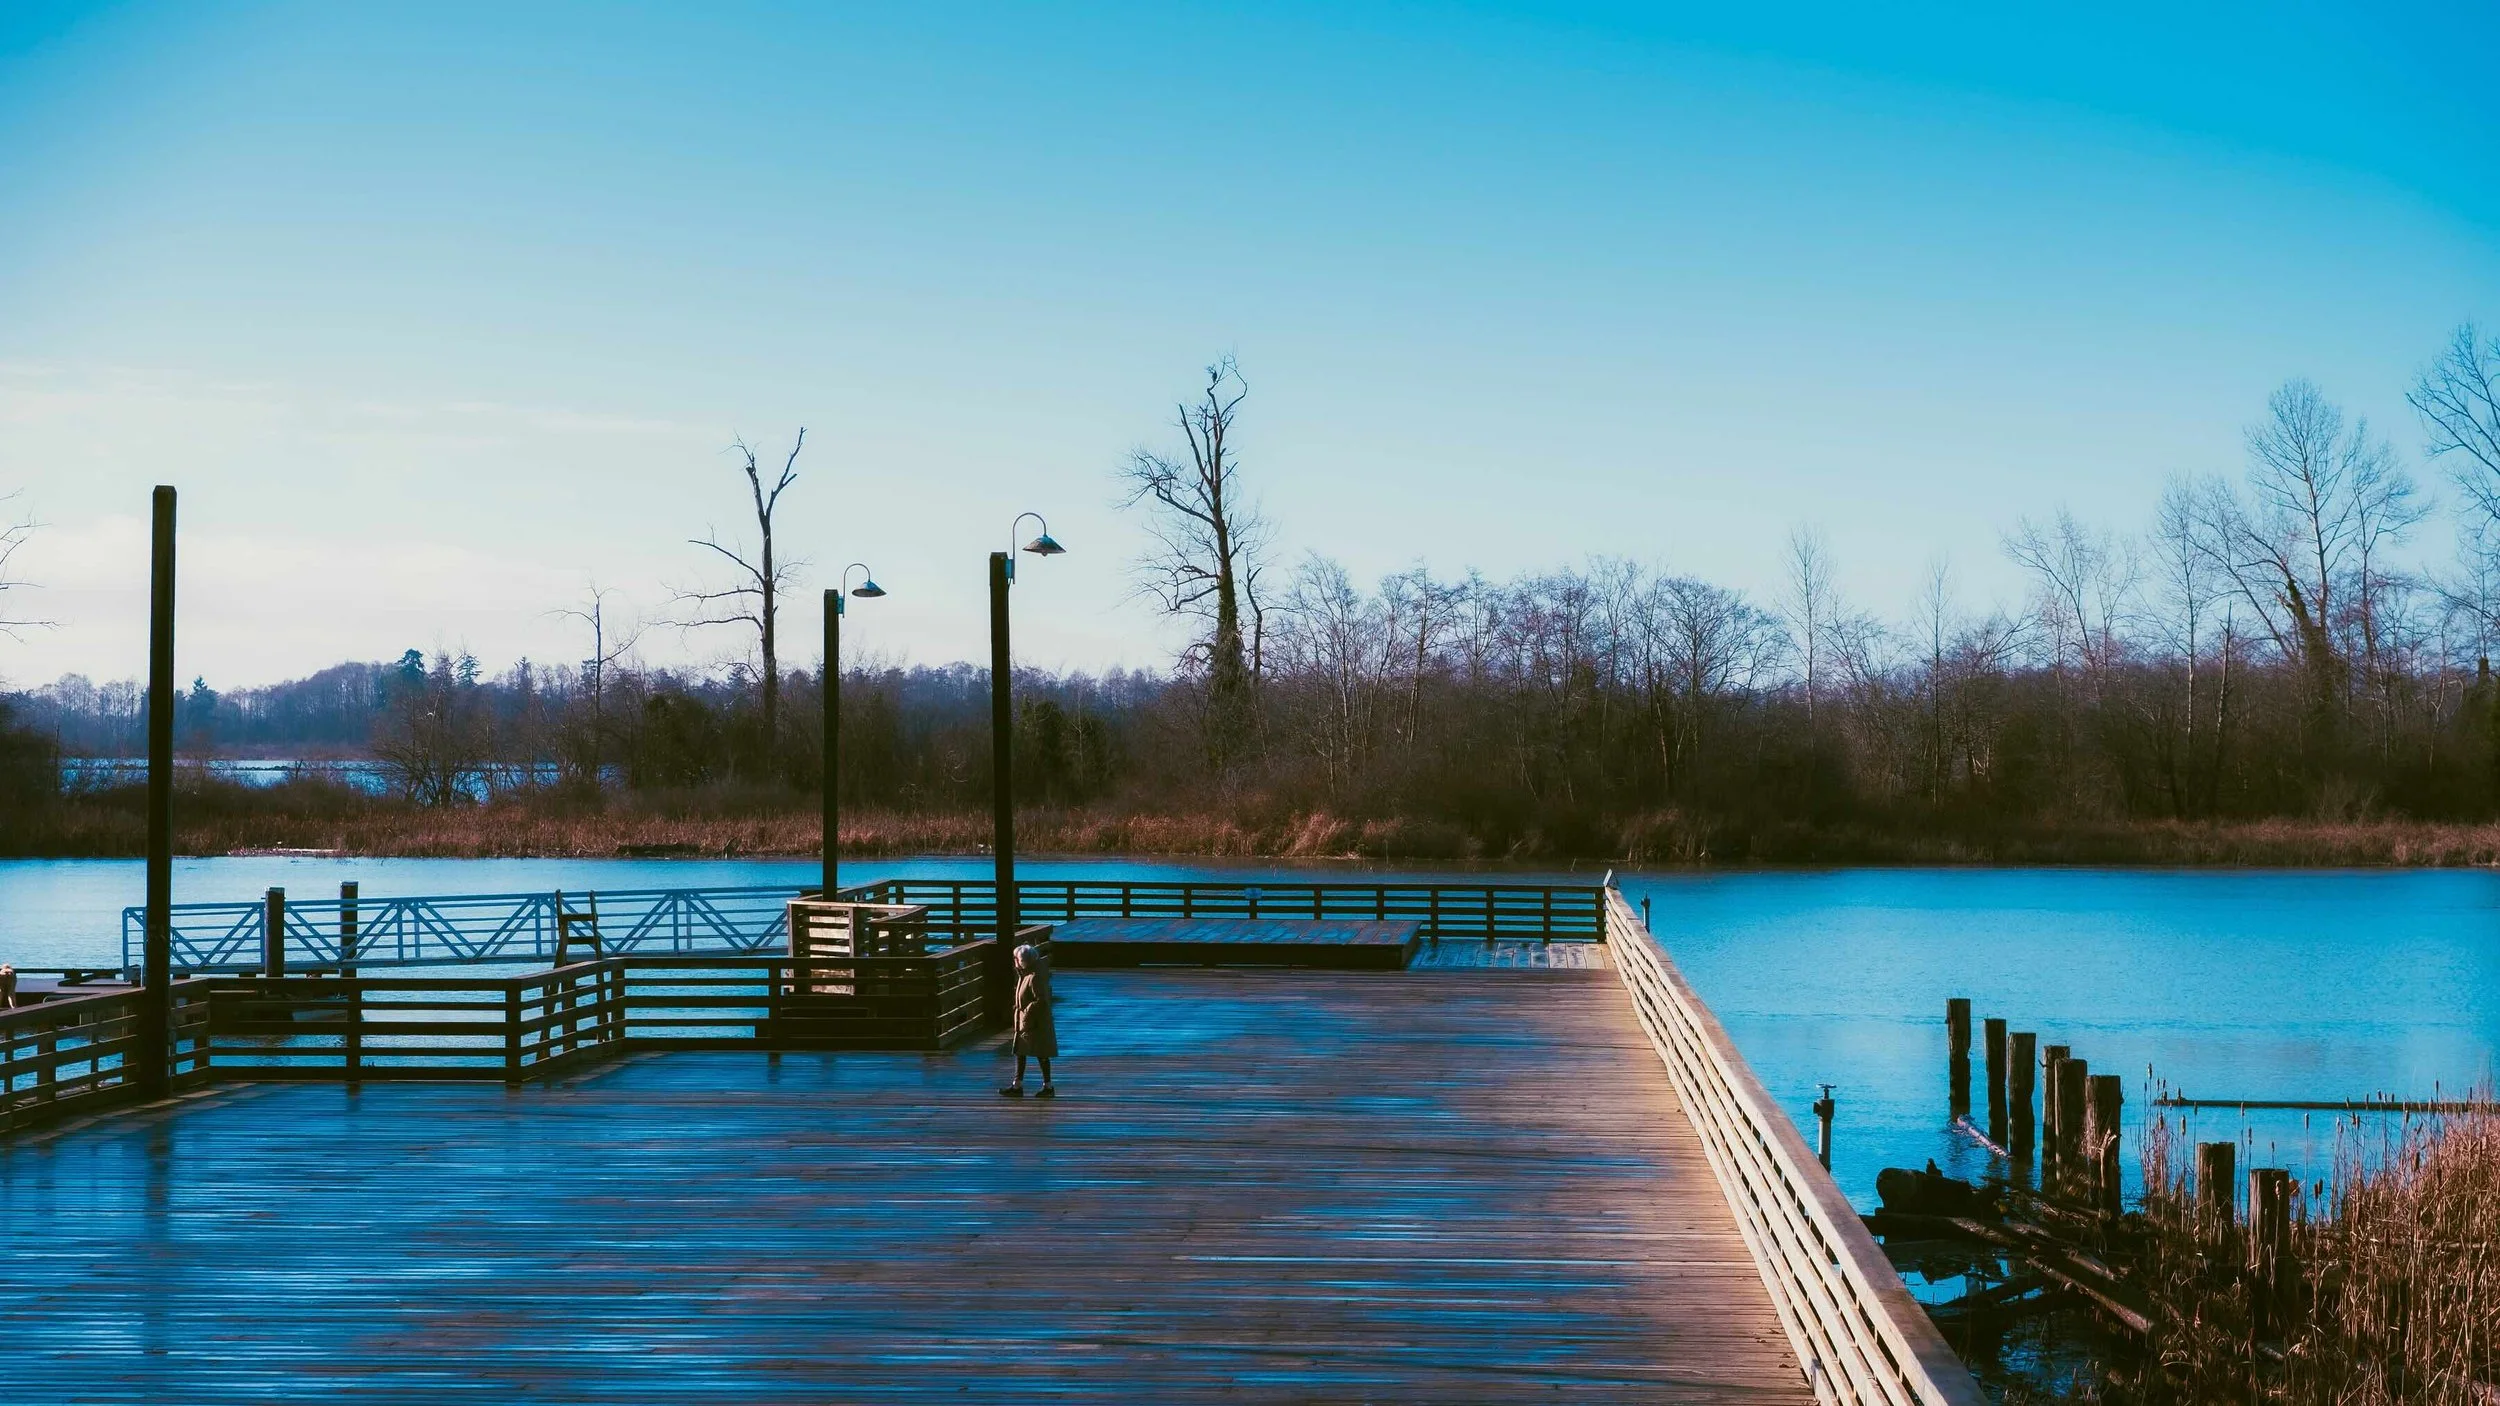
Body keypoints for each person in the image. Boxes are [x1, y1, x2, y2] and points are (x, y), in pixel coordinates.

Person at [998, 942, 1057, 1098]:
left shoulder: (1034, 977)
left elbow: (1041, 1000)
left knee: (1041, 1053)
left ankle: (1048, 1086)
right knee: (1020, 1051)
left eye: (1016, 959)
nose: (1015, 961)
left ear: (1022, 960)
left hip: (1035, 1022)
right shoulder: (1025, 974)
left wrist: (1026, 1011)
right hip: (1025, 1021)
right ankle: (1017, 1085)